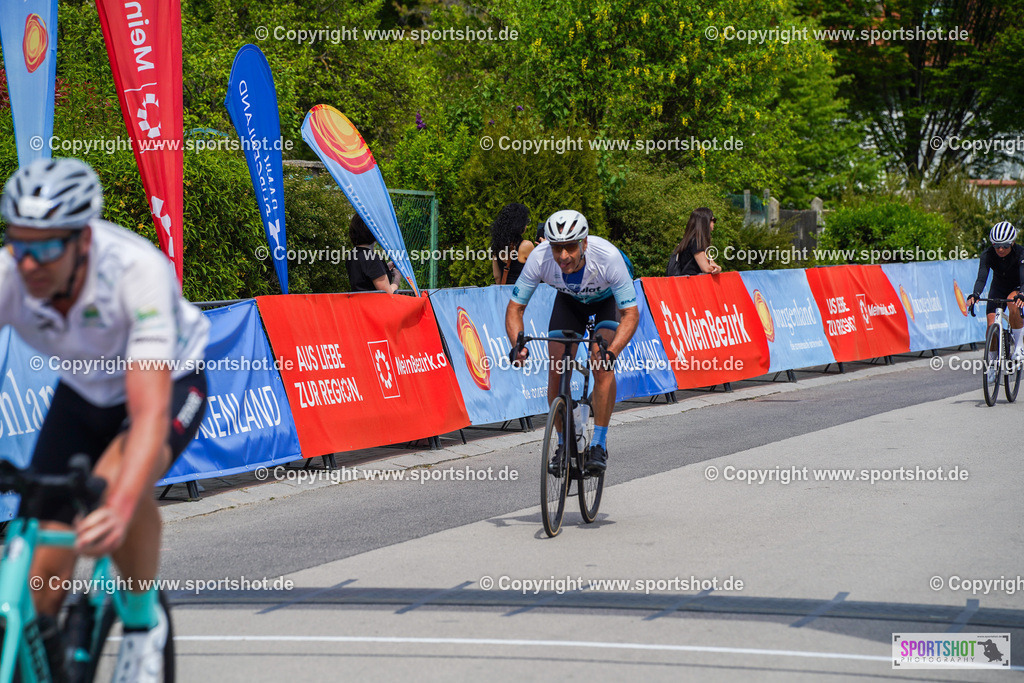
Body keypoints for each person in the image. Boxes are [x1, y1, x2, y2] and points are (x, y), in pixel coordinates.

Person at [0, 157, 209, 681]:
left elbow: (146, 414)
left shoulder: (135, 272)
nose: (29, 264)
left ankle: (142, 623)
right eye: (18, 244)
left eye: (45, 248)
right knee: (39, 584)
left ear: (83, 242)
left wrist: (115, 507)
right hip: (82, 392)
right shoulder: (12, 273)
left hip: (168, 384)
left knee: (115, 487)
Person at [505, 210, 639, 473]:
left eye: (570, 247)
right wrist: (517, 345)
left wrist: (612, 352)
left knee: (601, 363)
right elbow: (515, 309)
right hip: (570, 302)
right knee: (556, 373)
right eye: (557, 248)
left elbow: (630, 314)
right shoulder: (540, 258)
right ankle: (565, 444)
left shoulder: (608, 258)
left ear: (584, 244)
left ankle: (598, 443)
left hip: (606, 301)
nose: (563, 256)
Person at [966, 221, 1024, 361]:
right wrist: (976, 294)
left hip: (1017, 286)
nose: (1000, 249)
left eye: (1004, 245)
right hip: (998, 287)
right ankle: (991, 361)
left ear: (1012, 243)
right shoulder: (987, 254)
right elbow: (981, 278)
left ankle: (1019, 347)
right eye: (996, 245)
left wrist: (1022, 294)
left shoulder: (1021, 252)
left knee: (1013, 304)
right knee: (991, 324)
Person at [346, 213, 401, 293]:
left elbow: (365, 277)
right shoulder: (371, 258)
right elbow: (388, 293)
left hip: (358, 304)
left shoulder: (352, 254)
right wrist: (397, 278)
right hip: (373, 304)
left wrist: (384, 268)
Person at [666, 207, 721, 276]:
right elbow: (706, 268)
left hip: (687, 282)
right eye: (713, 220)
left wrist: (716, 268)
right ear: (705, 221)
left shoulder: (693, 239)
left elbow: (711, 263)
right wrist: (718, 269)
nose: (714, 223)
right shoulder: (696, 241)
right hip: (690, 283)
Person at [490, 202, 535, 285]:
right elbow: (538, 273)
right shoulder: (526, 246)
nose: (526, 225)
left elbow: (497, 277)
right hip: (522, 294)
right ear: (519, 225)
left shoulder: (497, 246)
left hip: (506, 294)